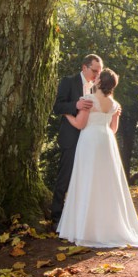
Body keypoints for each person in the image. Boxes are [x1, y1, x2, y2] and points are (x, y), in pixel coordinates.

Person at [56, 68, 138, 249]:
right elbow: (113, 129)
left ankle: (85, 227)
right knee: (107, 182)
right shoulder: (114, 104)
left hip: (90, 141)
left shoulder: (88, 100)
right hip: (107, 142)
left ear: (99, 82)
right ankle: (107, 225)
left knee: (87, 179)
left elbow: (80, 124)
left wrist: (66, 113)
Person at [49, 54, 102, 227]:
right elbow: (57, 106)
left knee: (85, 178)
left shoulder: (97, 87)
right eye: (95, 70)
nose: (97, 74)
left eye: (99, 71)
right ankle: (56, 218)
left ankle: (78, 218)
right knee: (64, 177)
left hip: (90, 139)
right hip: (71, 137)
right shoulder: (68, 81)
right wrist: (76, 105)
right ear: (84, 67)